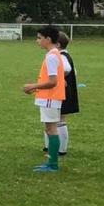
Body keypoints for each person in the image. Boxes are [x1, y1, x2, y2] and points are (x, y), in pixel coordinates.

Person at [22, 25, 65, 173]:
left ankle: (53, 164)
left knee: (51, 129)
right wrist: (36, 88)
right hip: (50, 97)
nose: (37, 41)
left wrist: (33, 85)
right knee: (49, 128)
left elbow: (53, 82)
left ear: (48, 39)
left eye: (39, 38)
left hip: (50, 98)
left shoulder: (52, 56)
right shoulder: (55, 54)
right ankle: (51, 162)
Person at [54, 33, 79, 157]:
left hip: (62, 92)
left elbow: (67, 69)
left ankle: (61, 149)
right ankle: (51, 146)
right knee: (57, 119)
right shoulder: (67, 55)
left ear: (57, 44)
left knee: (59, 119)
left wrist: (59, 78)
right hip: (67, 91)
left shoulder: (61, 56)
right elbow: (75, 72)